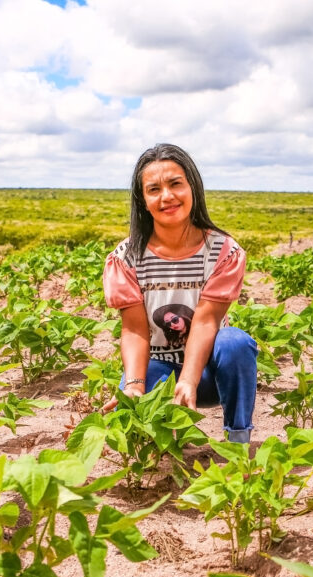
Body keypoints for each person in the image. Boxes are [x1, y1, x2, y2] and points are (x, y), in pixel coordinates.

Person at [101, 143, 258, 443]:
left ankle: (238, 441)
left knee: (235, 343)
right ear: (143, 200)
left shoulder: (223, 251)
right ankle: (162, 439)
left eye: (175, 184)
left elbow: (206, 320)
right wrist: (134, 384)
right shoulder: (126, 257)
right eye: (154, 189)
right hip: (158, 372)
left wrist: (188, 379)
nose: (167, 196)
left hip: (209, 372)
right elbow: (134, 329)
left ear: (193, 188)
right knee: (135, 397)